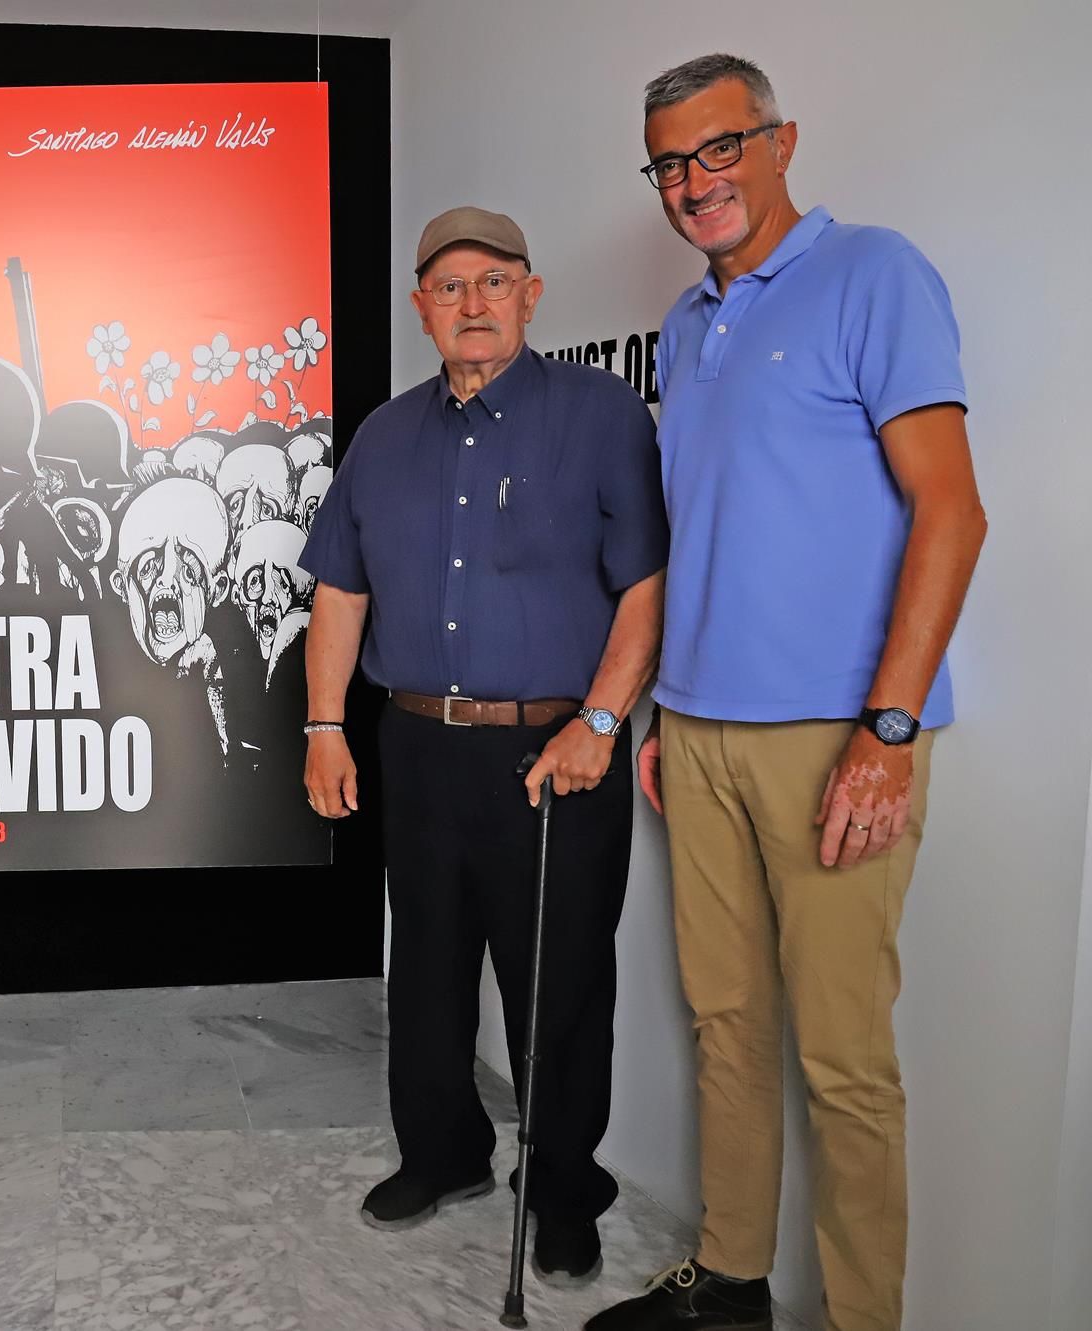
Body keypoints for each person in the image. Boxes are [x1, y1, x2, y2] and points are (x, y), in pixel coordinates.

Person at [587, 56, 986, 1331]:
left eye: (717, 149)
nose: (692, 182)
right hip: (695, 730)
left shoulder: (872, 273)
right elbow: (706, 531)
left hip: (834, 731)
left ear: (777, 141)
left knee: (843, 1062)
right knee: (724, 1023)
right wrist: (659, 710)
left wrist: (886, 730)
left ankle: (864, 1317)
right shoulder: (687, 325)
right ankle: (732, 1277)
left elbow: (950, 510)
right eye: (667, 162)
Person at [301, 207, 668, 1285]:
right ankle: (441, 1152)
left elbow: (642, 584)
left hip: (554, 754)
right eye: (447, 286)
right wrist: (325, 726)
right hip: (414, 743)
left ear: (530, 293)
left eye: (492, 281)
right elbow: (339, 588)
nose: (471, 302)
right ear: (421, 307)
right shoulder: (382, 433)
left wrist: (601, 720)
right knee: (422, 966)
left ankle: (561, 1189)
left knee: (555, 985)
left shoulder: (600, 416)